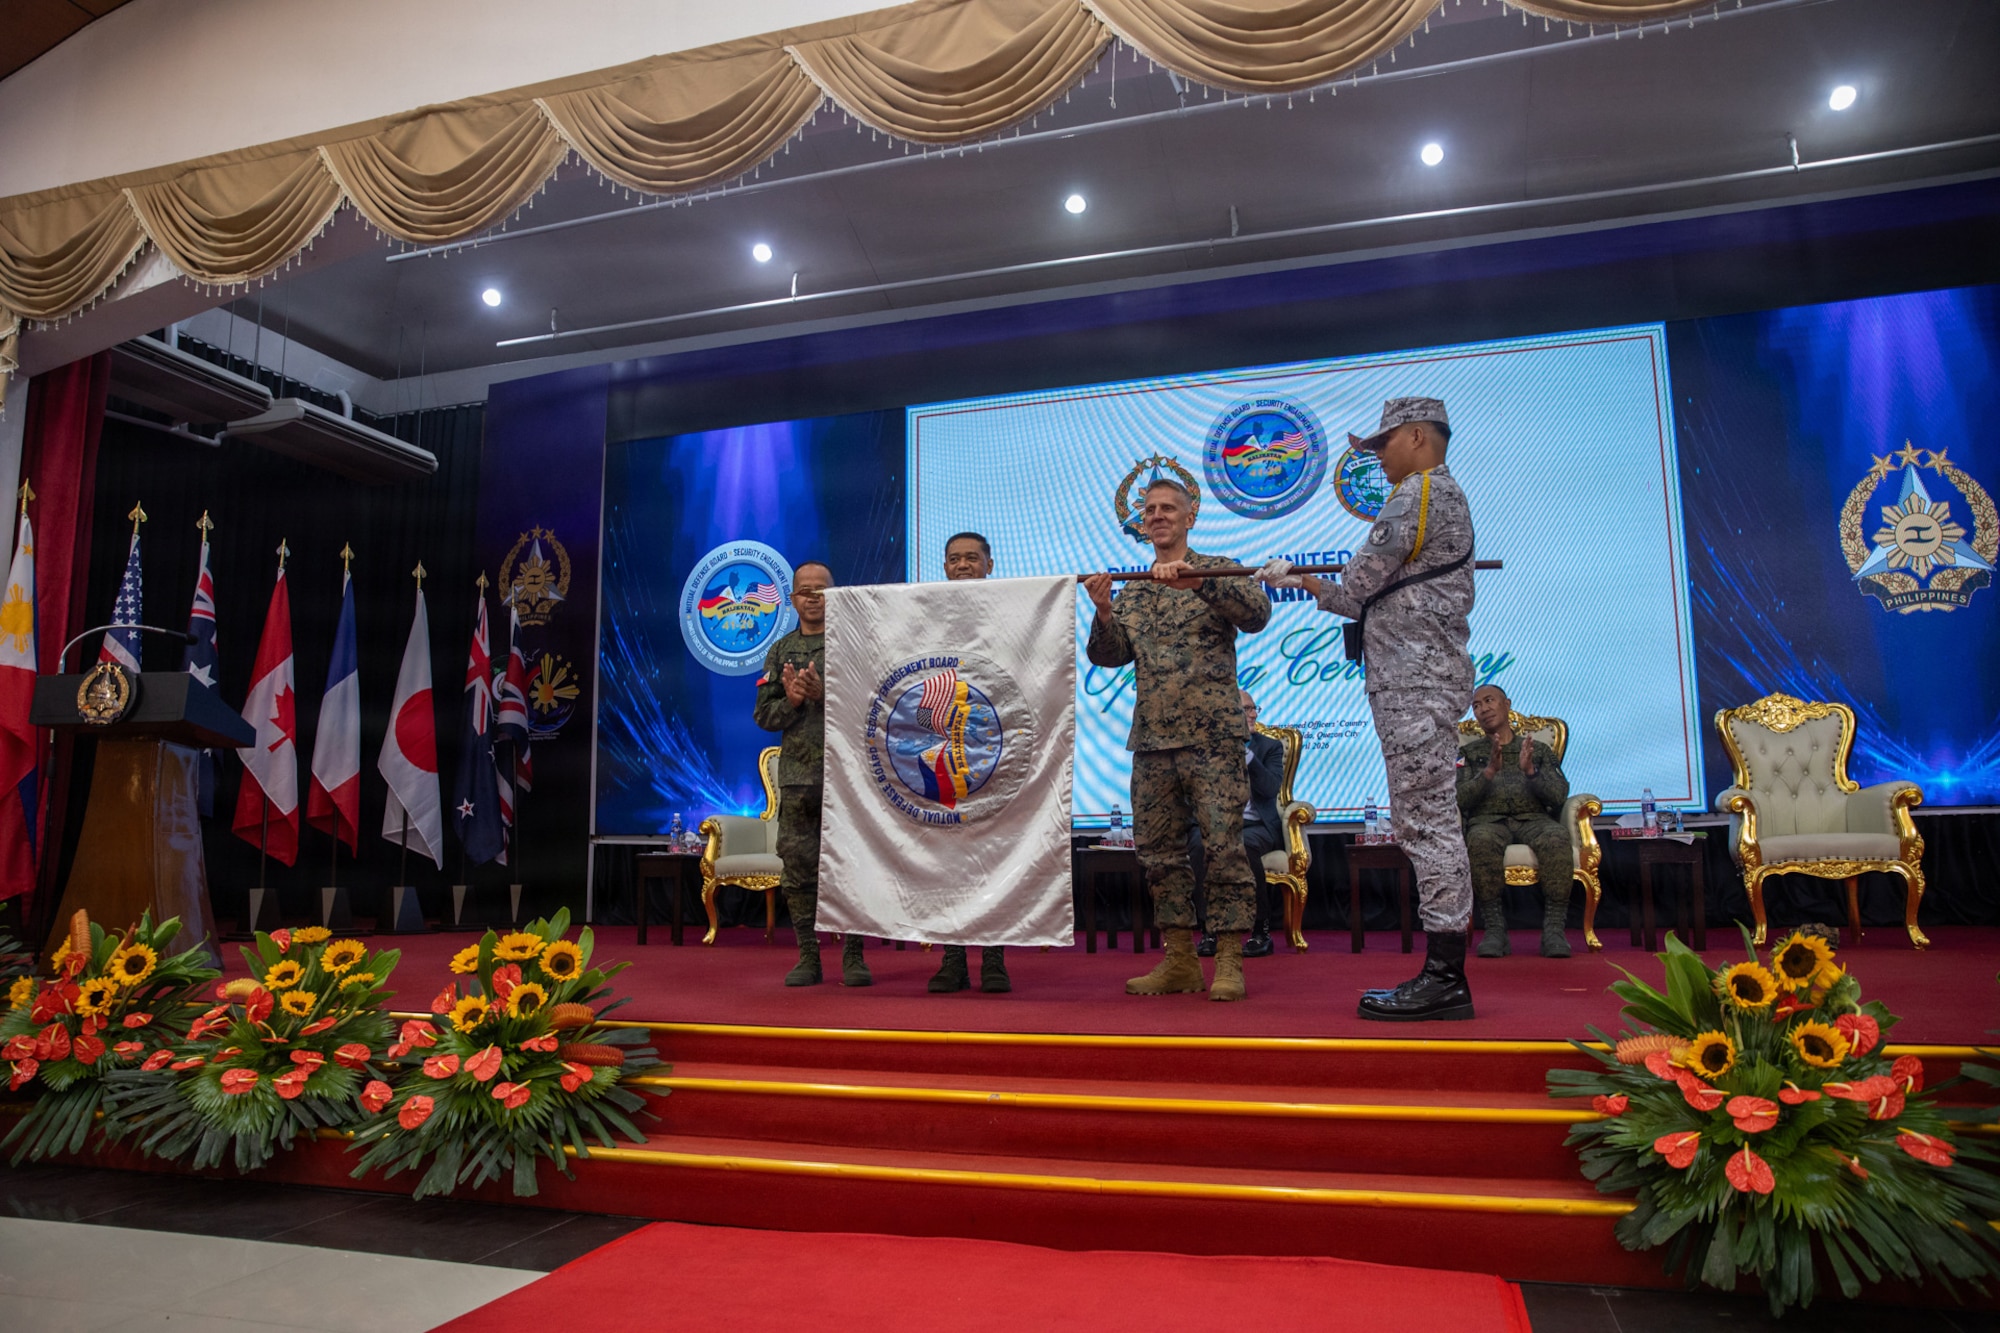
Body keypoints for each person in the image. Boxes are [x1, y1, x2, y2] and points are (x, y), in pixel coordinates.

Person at [1260, 397, 1476, 1021]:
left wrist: (1299, 580)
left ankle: (1445, 977)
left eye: (1383, 445)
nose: (1378, 458)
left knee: (1426, 823)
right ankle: (1444, 972)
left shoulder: (1417, 494)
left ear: (1416, 436)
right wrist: (1303, 580)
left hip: (1414, 684)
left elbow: (1356, 592)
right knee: (1426, 819)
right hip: (1420, 681)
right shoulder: (1440, 494)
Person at [1084, 478, 1271, 1002]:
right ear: (1142, 523)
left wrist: (1201, 584)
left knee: (1223, 850)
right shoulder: (1136, 588)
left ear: (1191, 517)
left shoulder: (1216, 567)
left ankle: (1230, 961)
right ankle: (1182, 962)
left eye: (1169, 508)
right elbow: (1109, 654)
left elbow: (1257, 615)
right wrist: (1102, 612)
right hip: (1152, 741)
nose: (1158, 515)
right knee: (1159, 855)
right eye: (1150, 510)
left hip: (1212, 738)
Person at [754, 561, 870, 988]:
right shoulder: (780, 652)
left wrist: (829, 695)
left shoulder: (854, 646)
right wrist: (794, 701)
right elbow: (764, 715)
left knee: (853, 866)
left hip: (849, 777)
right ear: (791, 599)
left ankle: (854, 956)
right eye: (804, 590)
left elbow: (874, 707)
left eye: (821, 589)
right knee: (798, 867)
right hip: (800, 779)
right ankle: (808, 955)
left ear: (834, 594)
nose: (813, 596)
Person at [929, 531, 1012, 994]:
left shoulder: (1010, 612)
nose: (963, 566)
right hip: (944, 744)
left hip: (994, 747)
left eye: (972, 558)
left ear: (990, 564)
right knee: (950, 859)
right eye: (954, 559)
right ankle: (952, 958)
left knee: (993, 855)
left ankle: (995, 959)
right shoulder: (927, 614)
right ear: (944, 567)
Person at [1458, 683, 1573, 959]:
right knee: (1480, 840)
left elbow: (1559, 795)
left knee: (1556, 836)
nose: (1483, 709)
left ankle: (1554, 931)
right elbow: (1460, 799)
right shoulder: (1470, 754)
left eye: (1489, 701)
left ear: (1507, 704)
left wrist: (1531, 771)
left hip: (1533, 819)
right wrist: (1488, 772)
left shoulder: (1538, 749)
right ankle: (1495, 930)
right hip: (1489, 821)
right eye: (1476, 705)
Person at [1195, 691, 1286, 958]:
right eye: (1246, 709)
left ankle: (1261, 932)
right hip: (1216, 825)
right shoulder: (1205, 750)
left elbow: (1270, 789)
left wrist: (1245, 755)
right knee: (1199, 848)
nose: (1254, 714)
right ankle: (1209, 931)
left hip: (1256, 826)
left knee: (1244, 847)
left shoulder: (1269, 747)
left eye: (1254, 708)